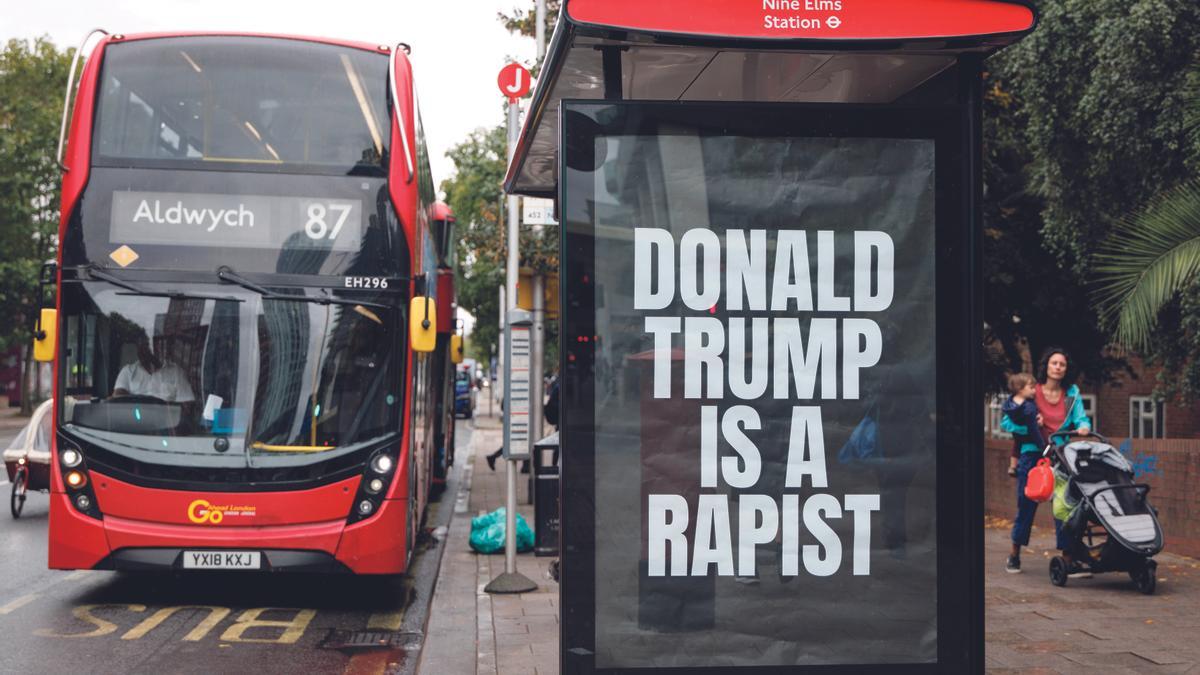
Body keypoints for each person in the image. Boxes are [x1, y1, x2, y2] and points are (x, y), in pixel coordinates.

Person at [1001, 347, 1091, 575]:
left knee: (1064, 506)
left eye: (1062, 364)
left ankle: (1068, 559)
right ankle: (1014, 554)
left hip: (1061, 455)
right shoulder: (1033, 390)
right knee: (1026, 504)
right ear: (1046, 366)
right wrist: (1030, 427)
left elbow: (1081, 418)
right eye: (1054, 363)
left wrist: (1083, 426)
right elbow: (1007, 422)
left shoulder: (1071, 393)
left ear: (1066, 369)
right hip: (1033, 454)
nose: (1058, 367)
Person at [113, 333, 196, 403]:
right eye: (140, 347)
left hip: (166, 417)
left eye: (146, 347)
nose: (142, 351)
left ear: (156, 350)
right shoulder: (128, 371)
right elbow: (117, 400)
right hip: (135, 417)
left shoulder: (176, 372)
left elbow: (186, 405)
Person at [1002, 373, 1046, 478]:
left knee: (1017, 444)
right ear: (1020, 389)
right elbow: (1033, 429)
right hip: (1029, 441)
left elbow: (1005, 421)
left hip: (1017, 434)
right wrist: (1042, 446)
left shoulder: (1010, 403)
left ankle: (1012, 466)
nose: (1034, 391)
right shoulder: (1028, 408)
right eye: (1031, 388)